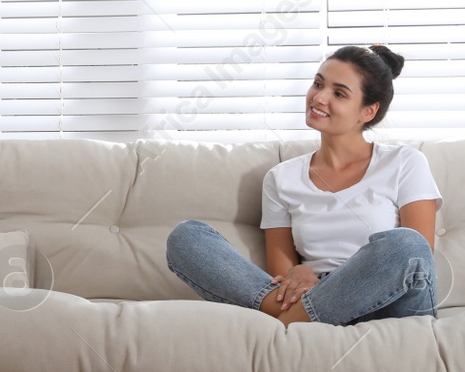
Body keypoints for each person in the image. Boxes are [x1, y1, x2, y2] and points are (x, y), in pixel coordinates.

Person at [165, 45, 442, 327]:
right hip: (312, 296)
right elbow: (282, 280)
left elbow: (418, 257)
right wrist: (298, 270)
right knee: (186, 237)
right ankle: (305, 318)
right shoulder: (281, 178)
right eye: (318, 83)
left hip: (388, 303)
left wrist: (332, 284)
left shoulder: (405, 161)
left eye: (339, 93)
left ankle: (289, 324)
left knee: (405, 244)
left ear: (368, 111)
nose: (319, 97)